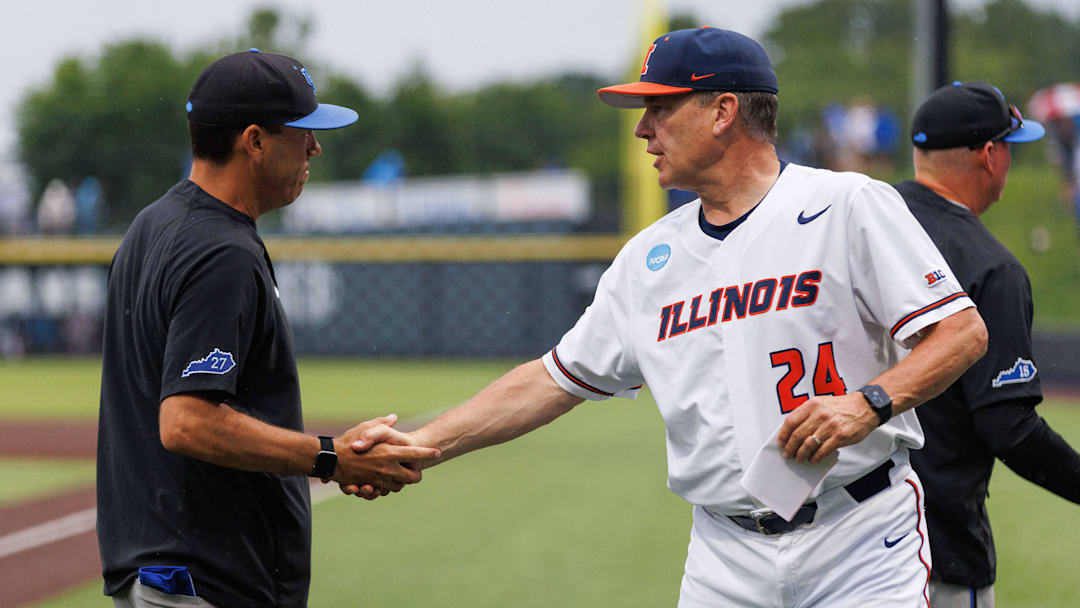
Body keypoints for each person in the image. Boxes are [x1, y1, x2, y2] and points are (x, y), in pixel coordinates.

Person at [349, 27, 987, 606]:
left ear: (723, 111)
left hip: (857, 533)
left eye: (660, 105)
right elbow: (552, 379)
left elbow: (961, 331)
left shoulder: (845, 204)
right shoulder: (648, 260)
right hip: (724, 554)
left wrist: (869, 402)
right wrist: (424, 445)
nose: (642, 128)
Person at [96, 49, 441, 608]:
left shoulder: (153, 223)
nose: (315, 147)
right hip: (202, 581)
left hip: (168, 572)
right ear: (254, 142)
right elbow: (185, 421)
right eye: (302, 131)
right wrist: (331, 457)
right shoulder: (219, 251)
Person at [895, 81, 1080, 608]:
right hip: (938, 549)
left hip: (840, 539)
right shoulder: (989, 267)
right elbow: (1009, 428)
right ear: (990, 155)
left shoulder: (855, 225)